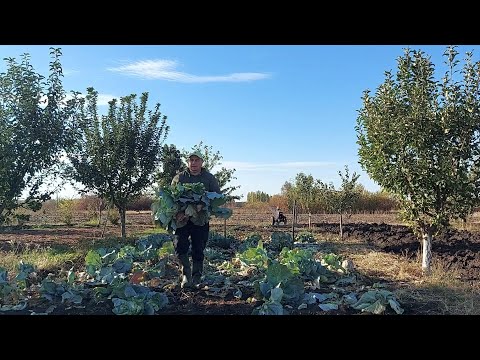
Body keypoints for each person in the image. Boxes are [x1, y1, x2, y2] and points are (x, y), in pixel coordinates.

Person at [171, 150, 221, 289]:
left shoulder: (209, 178)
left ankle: (197, 277)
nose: (193, 163)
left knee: (199, 248)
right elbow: (171, 199)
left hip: (201, 219)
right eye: (191, 160)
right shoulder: (179, 178)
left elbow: (218, 197)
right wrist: (177, 213)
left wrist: (203, 205)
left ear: (201, 162)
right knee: (180, 245)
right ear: (188, 162)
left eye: (196, 160)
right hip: (182, 220)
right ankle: (186, 275)